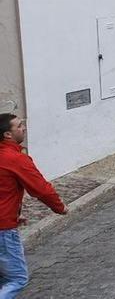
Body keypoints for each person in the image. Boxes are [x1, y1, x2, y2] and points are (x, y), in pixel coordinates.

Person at [0, 114, 68, 298]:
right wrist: (60, 207)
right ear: (7, 134)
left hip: (5, 220)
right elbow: (41, 189)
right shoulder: (15, 158)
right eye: (19, 125)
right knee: (17, 279)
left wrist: (14, 214)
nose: (24, 128)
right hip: (3, 229)